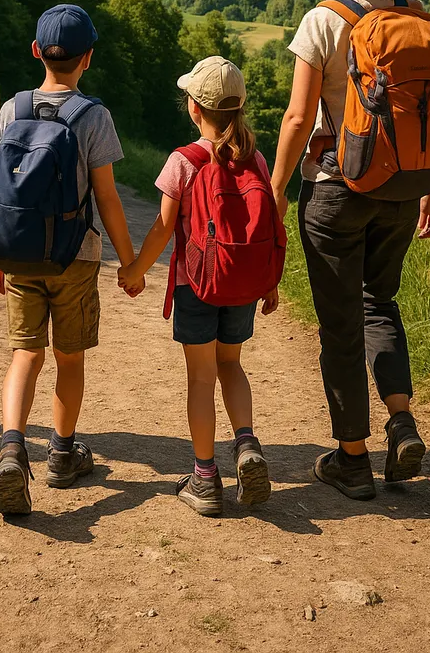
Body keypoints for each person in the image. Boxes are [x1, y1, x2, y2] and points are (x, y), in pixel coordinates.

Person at [270, 0, 430, 502]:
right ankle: (402, 422)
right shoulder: (418, 17)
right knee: (380, 303)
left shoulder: (324, 19)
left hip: (336, 190)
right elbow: (424, 114)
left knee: (340, 327)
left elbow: (298, 118)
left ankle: (352, 460)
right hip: (403, 188)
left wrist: (275, 190)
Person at [0, 4, 136, 516]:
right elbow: (107, 197)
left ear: (36, 52)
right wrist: (129, 261)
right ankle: (62, 454)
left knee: (25, 355)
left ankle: (11, 449)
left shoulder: (11, 109)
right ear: (87, 58)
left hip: (19, 256)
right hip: (76, 257)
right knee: (69, 357)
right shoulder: (93, 116)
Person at [119, 56, 281, 518]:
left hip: (197, 285)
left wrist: (135, 270)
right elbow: (268, 223)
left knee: (201, 377)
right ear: (240, 107)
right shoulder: (256, 159)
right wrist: (269, 281)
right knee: (232, 364)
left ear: (194, 108)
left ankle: (205, 478)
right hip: (242, 285)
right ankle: (246, 445)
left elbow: (162, 229)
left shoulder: (184, 161)